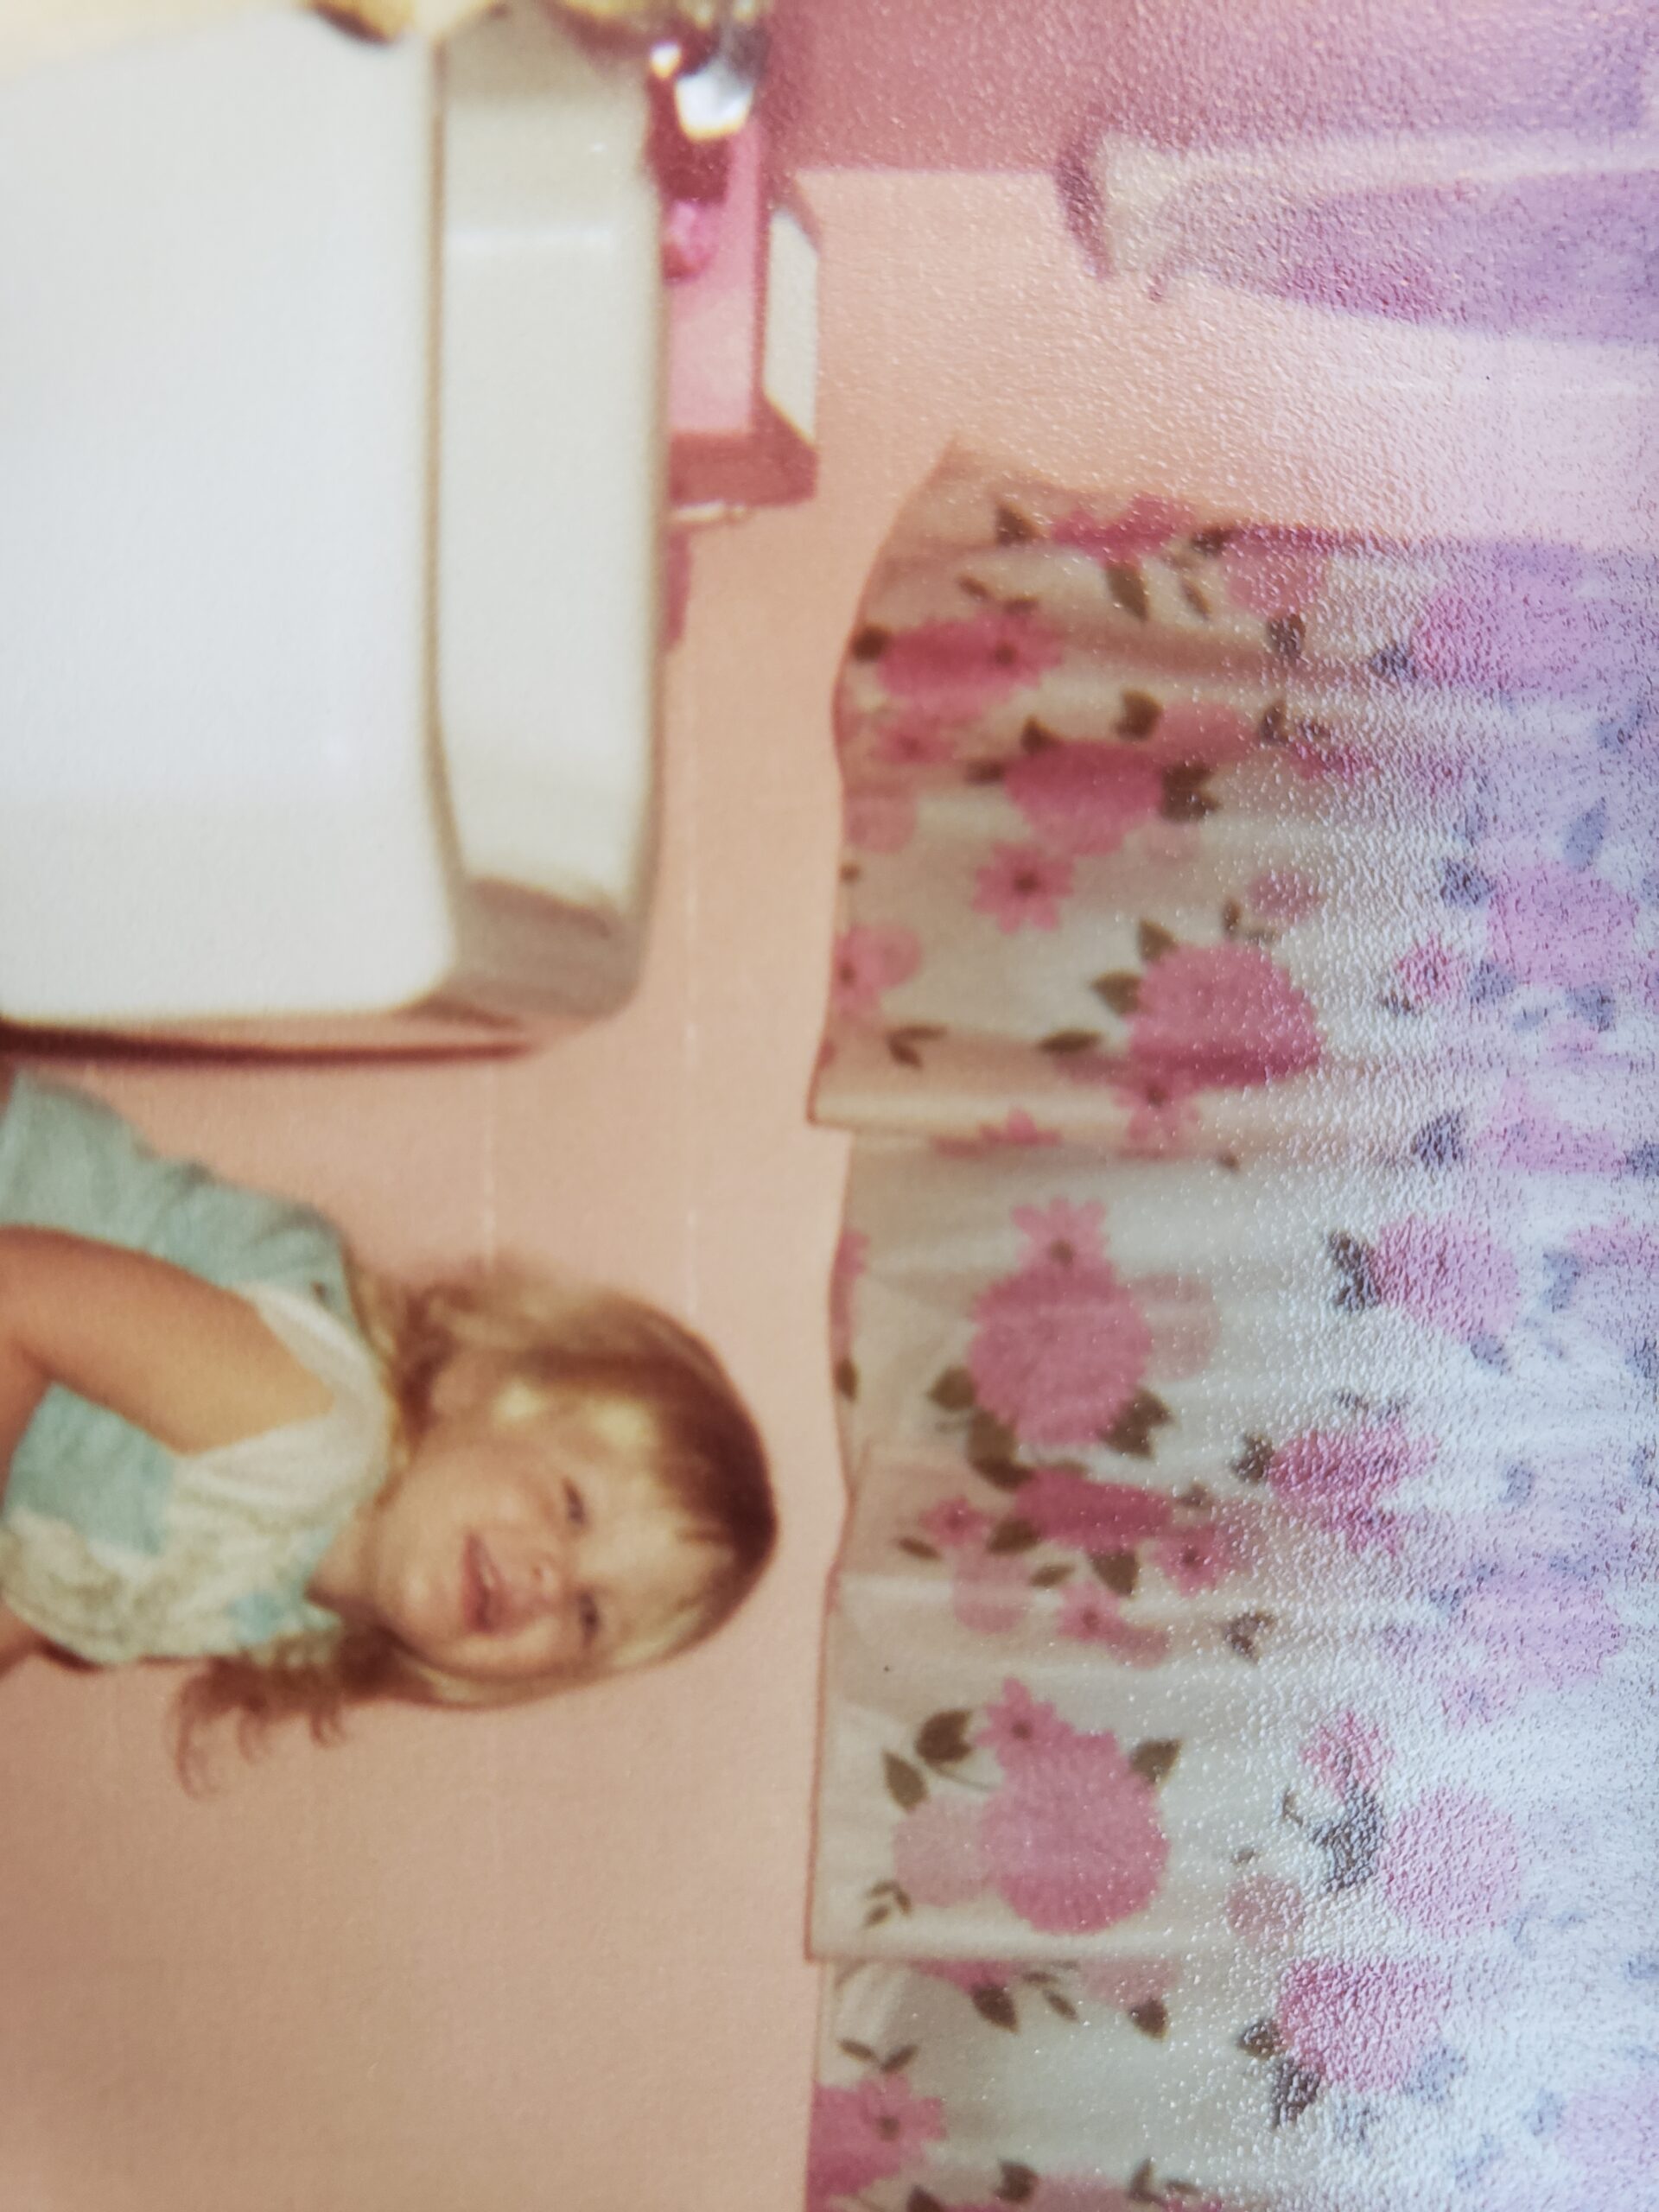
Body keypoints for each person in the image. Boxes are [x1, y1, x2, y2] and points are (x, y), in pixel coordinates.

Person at [0, 1066, 775, 1782]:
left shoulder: (275, 1605)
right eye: (573, 1507)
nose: (551, 1581)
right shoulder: (315, 1425)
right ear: (480, 1388)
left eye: (589, 1614)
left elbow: (48, 1579)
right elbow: (15, 1295)